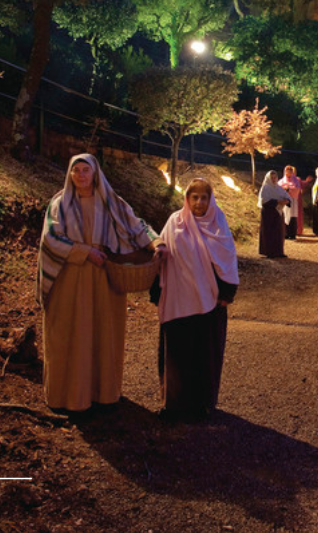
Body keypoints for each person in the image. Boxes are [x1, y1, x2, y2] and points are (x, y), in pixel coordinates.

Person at [37, 153, 167, 413]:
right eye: (76, 171)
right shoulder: (59, 204)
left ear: (95, 173)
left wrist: (157, 242)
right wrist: (85, 252)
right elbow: (50, 238)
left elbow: (135, 224)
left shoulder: (111, 203)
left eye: (86, 170)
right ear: (70, 174)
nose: (81, 175)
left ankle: (102, 393)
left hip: (105, 277)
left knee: (102, 332)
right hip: (70, 279)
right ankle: (67, 396)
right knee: (69, 333)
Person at [154, 178, 239, 422]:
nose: (199, 202)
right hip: (177, 300)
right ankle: (174, 404)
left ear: (210, 199)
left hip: (209, 304)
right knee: (177, 353)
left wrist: (226, 293)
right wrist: (156, 292)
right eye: (194, 197)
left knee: (205, 354)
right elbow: (161, 257)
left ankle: (202, 404)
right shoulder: (174, 222)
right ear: (187, 199)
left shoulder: (218, 225)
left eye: (204, 197)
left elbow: (227, 261)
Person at [256, 170, 291, 258]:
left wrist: (286, 201)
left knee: (279, 232)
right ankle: (269, 252)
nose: (274, 179)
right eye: (272, 177)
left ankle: (279, 251)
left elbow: (287, 196)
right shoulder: (266, 188)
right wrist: (278, 201)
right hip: (268, 214)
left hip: (278, 213)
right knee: (269, 233)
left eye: (275, 177)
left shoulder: (278, 188)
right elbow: (265, 201)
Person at [278, 165, 311, 239]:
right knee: (285, 216)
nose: (288, 174)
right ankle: (285, 233)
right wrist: (286, 189)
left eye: (290, 172)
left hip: (293, 201)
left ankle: (292, 234)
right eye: (287, 172)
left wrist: (288, 189)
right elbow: (279, 189)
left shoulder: (296, 181)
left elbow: (297, 189)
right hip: (285, 202)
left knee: (292, 217)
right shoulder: (281, 181)